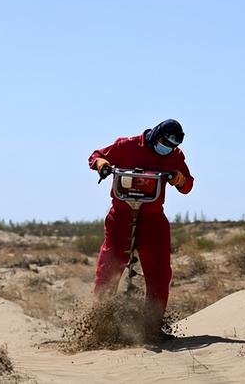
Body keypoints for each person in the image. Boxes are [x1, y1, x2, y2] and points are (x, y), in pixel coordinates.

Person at [89, 119, 194, 332]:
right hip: (120, 215)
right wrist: (102, 165)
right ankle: (99, 321)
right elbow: (96, 156)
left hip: (153, 218)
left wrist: (178, 178)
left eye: (173, 146)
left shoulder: (174, 156)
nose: (168, 148)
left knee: (160, 272)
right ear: (156, 136)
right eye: (165, 143)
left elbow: (187, 186)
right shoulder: (126, 146)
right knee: (109, 267)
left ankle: (152, 325)